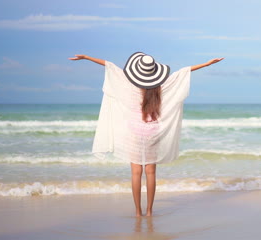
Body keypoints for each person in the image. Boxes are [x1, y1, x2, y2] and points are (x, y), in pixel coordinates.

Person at [69, 52, 224, 216]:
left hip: (134, 133)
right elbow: (182, 73)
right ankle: (149, 211)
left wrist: (87, 58)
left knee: (136, 173)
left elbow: (110, 66)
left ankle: (138, 211)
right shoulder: (160, 88)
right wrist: (206, 64)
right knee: (151, 173)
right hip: (153, 134)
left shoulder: (130, 86)